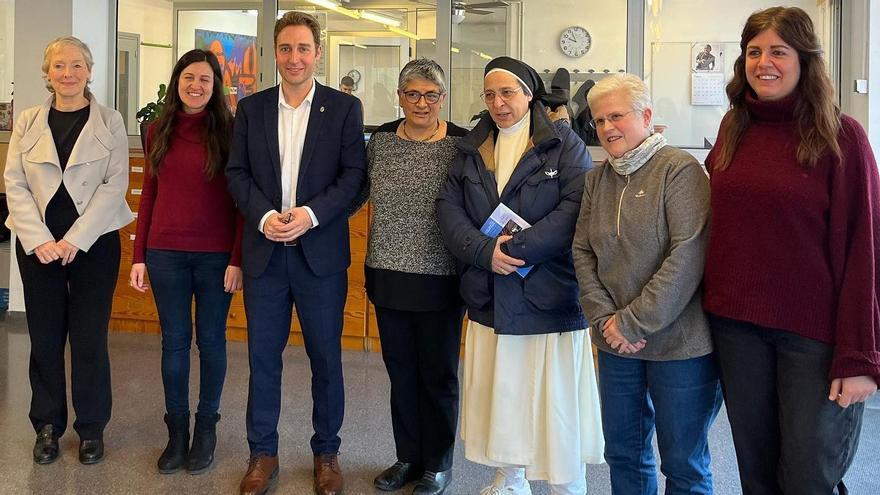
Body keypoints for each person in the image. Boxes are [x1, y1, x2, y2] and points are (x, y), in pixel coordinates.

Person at [704, 7, 880, 494]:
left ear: (805, 59)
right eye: (754, 51)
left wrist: (861, 356)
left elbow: (865, 251)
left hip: (812, 335)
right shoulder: (733, 129)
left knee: (808, 475)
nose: (764, 63)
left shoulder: (842, 137)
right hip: (737, 328)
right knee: (756, 473)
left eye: (778, 51)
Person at [436, 56, 604, 495]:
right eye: (490, 94)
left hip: (546, 294)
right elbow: (448, 208)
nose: (498, 103)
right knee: (502, 395)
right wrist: (483, 252)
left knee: (554, 403)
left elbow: (574, 211)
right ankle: (510, 480)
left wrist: (511, 251)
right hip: (490, 291)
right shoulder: (472, 147)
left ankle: (567, 485)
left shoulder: (564, 145)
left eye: (507, 92)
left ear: (529, 95)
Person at [225, 11, 366, 495]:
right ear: (274, 54)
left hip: (319, 256)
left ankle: (327, 453)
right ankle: (262, 454)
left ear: (318, 53)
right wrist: (264, 216)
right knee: (263, 358)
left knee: (325, 358)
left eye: (303, 48)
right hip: (264, 255)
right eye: (285, 48)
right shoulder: (251, 109)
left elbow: (353, 176)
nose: (294, 57)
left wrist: (310, 214)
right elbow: (236, 173)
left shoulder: (343, 109)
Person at [571, 73, 721, 494]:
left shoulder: (679, 170)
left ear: (647, 115)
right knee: (624, 454)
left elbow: (688, 254)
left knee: (684, 463)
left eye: (616, 116)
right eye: (600, 120)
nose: (607, 128)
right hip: (616, 345)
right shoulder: (597, 179)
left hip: (679, 347)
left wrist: (631, 323)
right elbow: (582, 252)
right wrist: (605, 320)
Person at [3, 36, 133, 465]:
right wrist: (39, 239)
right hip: (37, 245)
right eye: (59, 65)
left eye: (77, 65)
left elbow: (115, 184)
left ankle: (91, 427)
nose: (68, 73)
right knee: (44, 337)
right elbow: (14, 183)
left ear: (89, 71)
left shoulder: (110, 121)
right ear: (48, 72)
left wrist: (76, 238)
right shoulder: (27, 120)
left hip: (94, 243)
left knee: (89, 337)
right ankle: (47, 426)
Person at [129, 49, 243, 475]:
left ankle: (206, 428)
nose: (196, 85)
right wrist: (139, 255)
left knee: (211, 342)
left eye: (205, 80)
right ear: (177, 81)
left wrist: (237, 258)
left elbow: (241, 202)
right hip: (165, 255)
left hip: (216, 258)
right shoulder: (156, 130)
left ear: (215, 87)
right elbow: (150, 195)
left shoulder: (231, 132)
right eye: (189, 77)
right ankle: (176, 433)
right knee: (174, 343)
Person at [360, 59, 467, 495]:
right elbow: (356, 191)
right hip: (387, 274)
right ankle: (408, 457)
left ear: (442, 98)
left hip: (441, 277)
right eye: (412, 94)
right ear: (400, 97)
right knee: (401, 372)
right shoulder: (381, 141)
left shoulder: (462, 144)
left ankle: (438, 463)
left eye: (431, 95)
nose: (422, 103)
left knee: (438, 375)